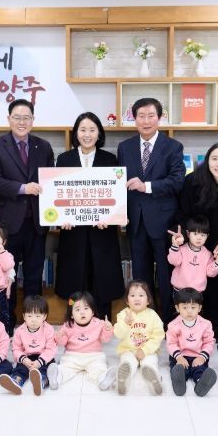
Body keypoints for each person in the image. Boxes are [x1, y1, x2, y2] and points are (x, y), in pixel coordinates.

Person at [118, 97, 185, 324]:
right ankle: (144, 321)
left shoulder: (173, 147)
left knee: (166, 274)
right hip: (135, 221)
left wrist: (146, 186)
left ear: (160, 118)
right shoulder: (124, 147)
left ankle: (167, 320)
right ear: (134, 118)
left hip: (163, 221)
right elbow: (120, 183)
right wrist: (120, 213)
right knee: (140, 275)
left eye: (151, 116)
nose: (146, 121)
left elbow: (177, 181)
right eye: (141, 116)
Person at [0, 99, 54, 316]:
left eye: (26, 118)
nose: (22, 122)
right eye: (17, 117)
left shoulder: (44, 146)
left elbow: (51, 181)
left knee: (34, 273)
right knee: (7, 273)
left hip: (36, 222)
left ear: (33, 120)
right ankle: (7, 319)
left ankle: (34, 319)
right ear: (9, 119)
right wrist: (24, 188)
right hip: (7, 222)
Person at [55, 112, 124, 319]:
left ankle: (102, 322)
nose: (87, 134)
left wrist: (111, 217)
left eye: (92, 130)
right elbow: (57, 192)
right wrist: (61, 218)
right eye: (83, 130)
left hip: (102, 230)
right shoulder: (64, 159)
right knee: (75, 278)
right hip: (73, 231)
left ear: (99, 133)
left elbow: (115, 194)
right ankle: (75, 322)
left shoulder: (109, 159)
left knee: (102, 278)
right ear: (76, 133)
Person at [176, 142, 218, 337]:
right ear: (207, 161)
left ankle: (215, 325)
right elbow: (182, 213)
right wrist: (192, 239)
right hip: (193, 242)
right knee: (190, 285)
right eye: (214, 159)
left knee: (215, 284)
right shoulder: (192, 181)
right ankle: (186, 326)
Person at [48, 291, 116, 391]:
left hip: (94, 356)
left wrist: (108, 329)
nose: (82, 312)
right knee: (65, 368)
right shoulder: (67, 325)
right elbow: (62, 343)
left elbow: (105, 339)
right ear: (71, 314)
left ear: (92, 312)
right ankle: (56, 377)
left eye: (86, 308)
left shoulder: (99, 324)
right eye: (77, 309)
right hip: (72, 356)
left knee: (99, 368)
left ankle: (104, 379)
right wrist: (59, 336)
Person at [113, 280, 164, 396]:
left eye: (141, 295)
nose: (137, 299)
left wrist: (145, 350)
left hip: (147, 350)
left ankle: (153, 379)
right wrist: (125, 323)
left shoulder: (153, 315)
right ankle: (123, 380)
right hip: (128, 349)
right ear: (127, 300)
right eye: (132, 296)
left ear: (148, 300)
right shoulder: (123, 314)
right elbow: (118, 334)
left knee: (150, 361)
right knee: (127, 362)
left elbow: (158, 335)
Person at [0, 294, 56, 396]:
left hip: (43, 357)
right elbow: (16, 349)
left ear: (44, 316)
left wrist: (40, 362)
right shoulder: (19, 331)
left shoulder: (48, 329)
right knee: (20, 369)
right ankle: (16, 382)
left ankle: (41, 382)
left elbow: (51, 349)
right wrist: (24, 359)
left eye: (37, 316)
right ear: (24, 316)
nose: (33, 320)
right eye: (29, 316)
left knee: (44, 369)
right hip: (26, 357)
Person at [166, 287, 217, 397]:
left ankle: (201, 382)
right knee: (179, 368)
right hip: (180, 355)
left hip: (198, 356)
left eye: (193, 307)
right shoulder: (173, 325)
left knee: (199, 369)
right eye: (185, 307)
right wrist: (179, 357)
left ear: (199, 308)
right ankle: (179, 381)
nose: (189, 311)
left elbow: (209, 342)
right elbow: (171, 343)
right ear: (177, 308)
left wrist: (202, 357)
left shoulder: (206, 324)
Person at [167, 216, 218, 293]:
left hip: (197, 293)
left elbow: (210, 273)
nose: (199, 238)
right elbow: (174, 262)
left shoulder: (207, 254)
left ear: (207, 236)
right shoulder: (182, 249)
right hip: (179, 291)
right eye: (195, 234)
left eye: (203, 235)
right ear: (188, 234)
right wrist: (175, 245)